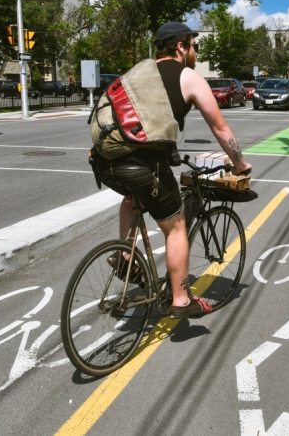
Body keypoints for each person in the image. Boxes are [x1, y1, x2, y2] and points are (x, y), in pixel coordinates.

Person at [91, 22, 252, 319]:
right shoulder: (188, 76)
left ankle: (125, 255)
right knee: (176, 226)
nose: (195, 52)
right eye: (194, 46)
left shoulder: (138, 73)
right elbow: (219, 127)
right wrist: (240, 163)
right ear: (181, 47)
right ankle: (180, 299)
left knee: (132, 197)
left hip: (105, 160)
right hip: (142, 164)